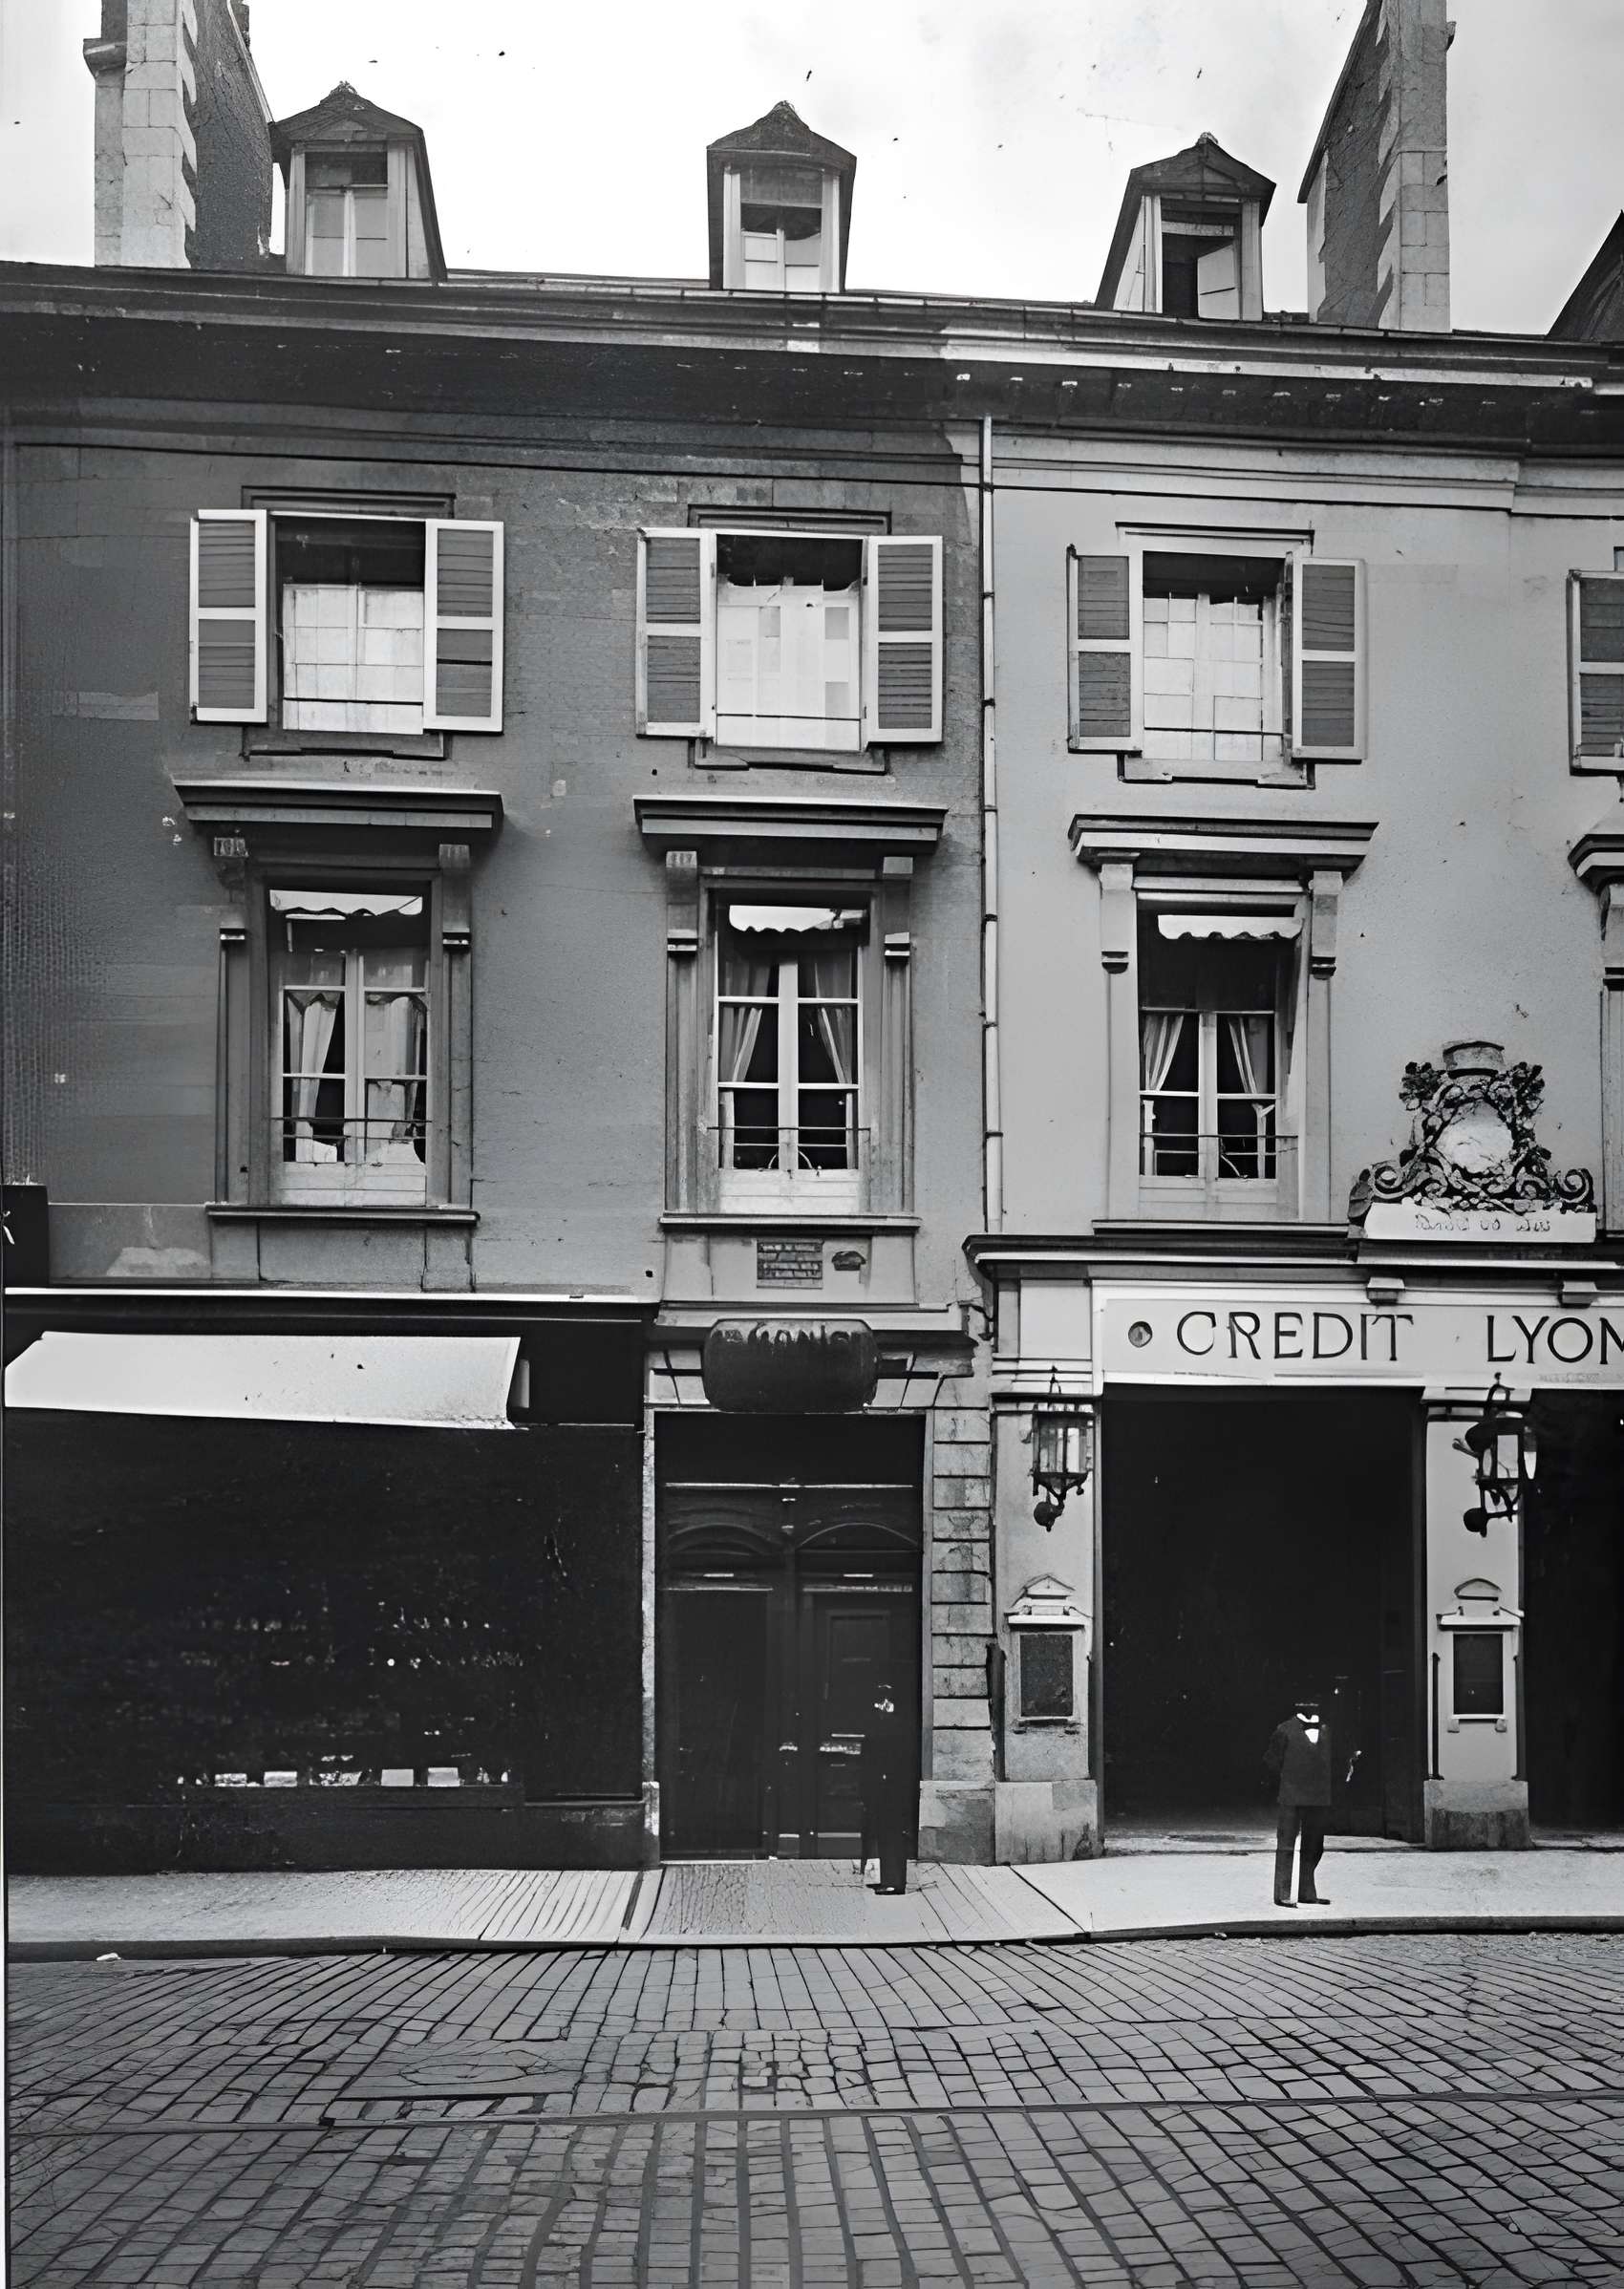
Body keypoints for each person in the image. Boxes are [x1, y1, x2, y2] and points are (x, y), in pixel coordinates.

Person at [1262, 1688, 1352, 1908]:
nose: (1312, 1708)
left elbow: (1336, 1761)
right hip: (1291, 1796)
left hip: (1319, 1797)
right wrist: (1285, 1783)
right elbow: (1271, 1763)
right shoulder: (1283, 1730)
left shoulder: (1327, 1730)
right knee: (1286, 1845)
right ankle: (1282, 1893)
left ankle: (1307, 1892)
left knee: (1314, 1845)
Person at [859, 1679, 909, 1894]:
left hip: (890, 1787)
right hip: (881, 1786)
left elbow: (890, 1760)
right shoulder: (880, 1725)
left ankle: (894, 1881)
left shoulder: (893, 1727)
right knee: (880, 1833)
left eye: (883, 1702)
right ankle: (881, 1876)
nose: (879, 1706)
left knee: (891, 1833)